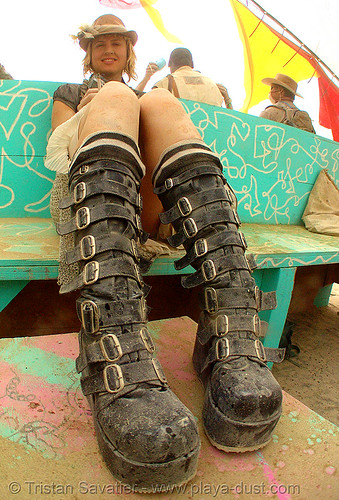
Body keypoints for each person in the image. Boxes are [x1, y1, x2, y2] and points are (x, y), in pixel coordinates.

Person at [45, 15, 284, 492]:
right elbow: (59, 157)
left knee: (155, 98)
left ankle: (229, 326)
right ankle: (113, 340)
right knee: (116, 96)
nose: (109, 51)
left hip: (159, 203)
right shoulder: (71, 90)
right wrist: (96, 107)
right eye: (100, 45)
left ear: (129, 51)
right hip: (93, 203)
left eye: (117, 43)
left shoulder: (149, 90)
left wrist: (138, 103)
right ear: (88, 53)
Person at [139, 47, 233, 108]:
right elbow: (229, 122)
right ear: (192, 64)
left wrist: (147, 77)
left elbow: (137, 104)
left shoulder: (165, 83)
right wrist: (228, 101)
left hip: (180, 136)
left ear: (169, 64)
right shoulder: (213, 86)